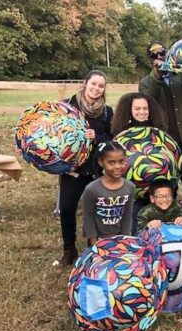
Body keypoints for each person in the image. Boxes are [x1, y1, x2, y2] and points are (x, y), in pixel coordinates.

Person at [58, 70, 114, 265]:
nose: (96, 89)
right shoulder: (67, 106)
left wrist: (96, 137)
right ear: (85, 83)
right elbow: (54, 132)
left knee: (97, 210)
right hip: (73, 168)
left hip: (96, 168)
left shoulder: (107, 112)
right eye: (94, 84)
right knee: (66, 207)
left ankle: (94, 248)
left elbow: (112, 140)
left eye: (101, 86)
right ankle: (69, 248)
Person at [110, 92, 169, 234]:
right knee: (133, 223)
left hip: (158, 188)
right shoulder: (121, 133)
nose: (142, 112)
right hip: (131, 192)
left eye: (145, 108)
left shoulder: (158, 132)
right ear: (129, 111)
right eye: (137, 109)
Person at [138, 41, 182, 160]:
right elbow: (148, 102)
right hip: (163, 138)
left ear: (168, 54)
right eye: (154, 55)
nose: (159, 56)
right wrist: (157, 77)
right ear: (150, 60)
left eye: (162, 53)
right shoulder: (145, 83)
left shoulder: (181, 75)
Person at [82, 141, 135, 245]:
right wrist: (94, 243)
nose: (117, 166)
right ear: (101, 162)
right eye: (111, 162)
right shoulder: (92, 189)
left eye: (121, 161)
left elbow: (127, 215)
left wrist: (124, 240)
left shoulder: (130, 187)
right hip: (98, 240)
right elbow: (88, 216)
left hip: (119, 239)